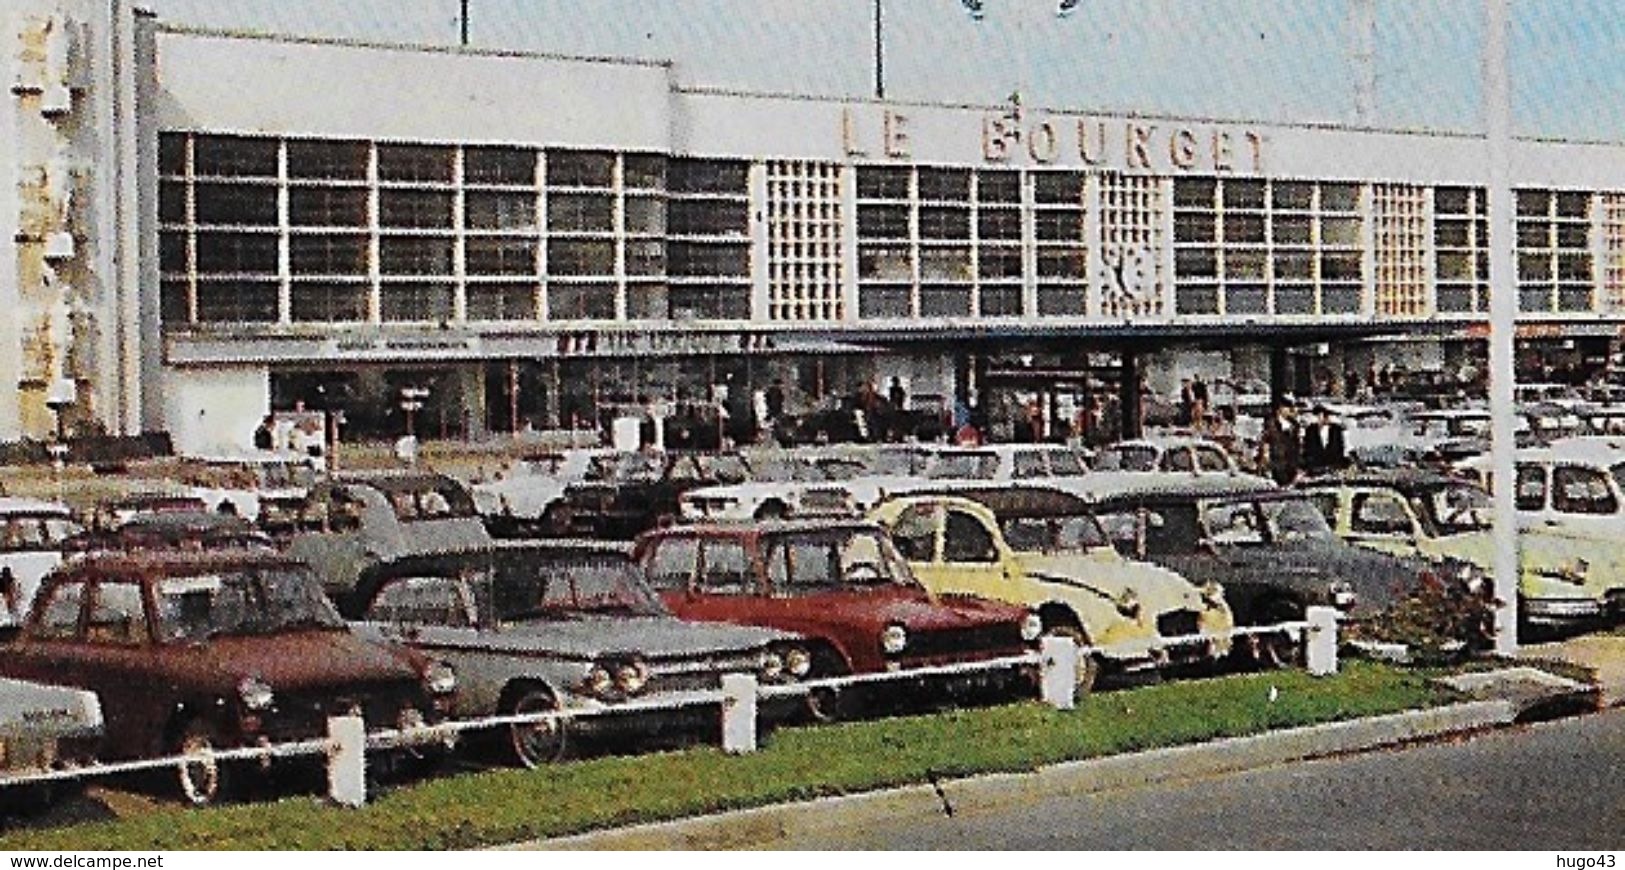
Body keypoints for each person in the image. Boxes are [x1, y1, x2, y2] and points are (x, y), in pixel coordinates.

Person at [1261, 398, 1302, 486]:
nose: (1288, 410)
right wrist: (1266, 455)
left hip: (1291, 460)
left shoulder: (1294, 424)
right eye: (1286, 407)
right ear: (1280, 408)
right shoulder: (1270, 424)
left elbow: (1297, 443)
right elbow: (1266, 440)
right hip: (1277, 460)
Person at [1301, 404, 1348, 475]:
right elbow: (1307, 449)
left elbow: (1340, 448)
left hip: (1333, 468)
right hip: (1315, 468)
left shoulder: (1337, 430)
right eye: (1317, 415)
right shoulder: (1310, 430)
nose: (1320, 418)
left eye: (1324, 415)